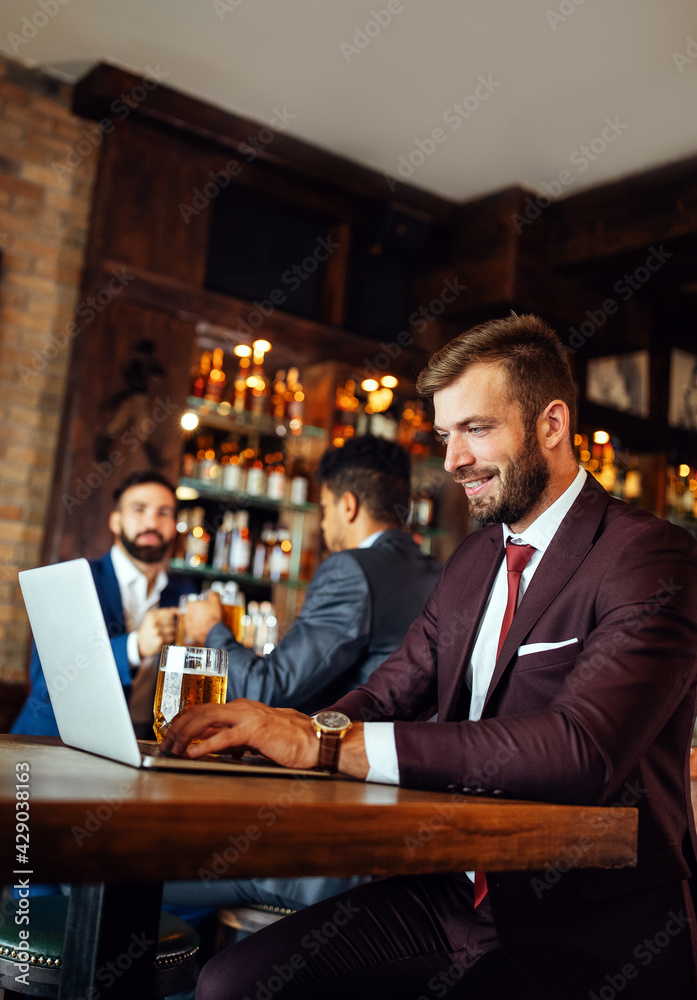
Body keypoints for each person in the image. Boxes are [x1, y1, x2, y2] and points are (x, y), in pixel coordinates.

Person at [163, 314, 697, 1000]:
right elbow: (390, 694)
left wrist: (325, 748)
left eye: (475, 429)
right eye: (445, 436)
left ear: (551, 425)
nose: (451, 461)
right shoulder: (475, 557)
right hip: (450, 892)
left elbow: (581, 748)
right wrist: (269, 736)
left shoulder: (648, 555)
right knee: (230, 982)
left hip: (583, 925)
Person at [164, 434, 442, 913]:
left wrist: (211, 629)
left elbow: (270, 688)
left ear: (348, 505)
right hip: (399, 834)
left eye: (326, 506)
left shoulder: (351, 570)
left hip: (323, 840)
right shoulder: (443, 574)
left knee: (101, 874)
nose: (325, 520)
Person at [12, 470, 189, 740]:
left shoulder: (184, 594)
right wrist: (135, 646)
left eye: (164, 513)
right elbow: (50, 679)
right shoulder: (68, 581)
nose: (152, 521)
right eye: (139, 510)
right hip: (54, 743)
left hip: (144, 743)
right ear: (116, 521)